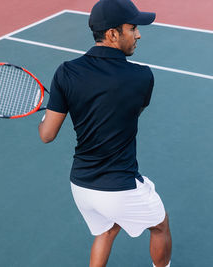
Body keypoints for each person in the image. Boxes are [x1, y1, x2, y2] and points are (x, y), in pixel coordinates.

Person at [38, 0, 172, 266]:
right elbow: (131, 114)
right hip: (119, 187)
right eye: (132, 28)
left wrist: (47, 115)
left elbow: (47, 134)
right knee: (160, 227)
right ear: (112, 34)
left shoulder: (66, 72)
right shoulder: (142, 77)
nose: (138, 34)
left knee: (107, 231)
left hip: (82, 186)